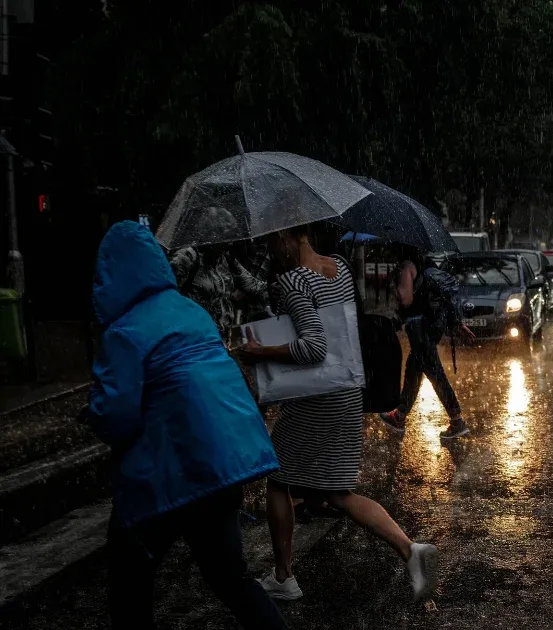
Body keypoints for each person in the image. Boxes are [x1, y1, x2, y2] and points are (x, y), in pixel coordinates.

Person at [85, 221, 287, 629]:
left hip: (170, 473)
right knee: (230, 577)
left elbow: (116, 419)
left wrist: (94, 409)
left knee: (130, 581)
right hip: (222, 466)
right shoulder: (191, 312)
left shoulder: (124, 331)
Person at [239, 225, 438, 603]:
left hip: (317, 397)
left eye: (270, 241)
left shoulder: (292, 282)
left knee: (278, 478)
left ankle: (283, 577)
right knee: (338, 494)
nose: (270, 250)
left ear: (287, 237)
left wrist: (261, 353)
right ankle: (411, 550)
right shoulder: (341, 268)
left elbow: (314, 346)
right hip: (347, 389)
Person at [380, 258, 475, 440]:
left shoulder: (406, 265)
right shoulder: (429, 263)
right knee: (413, 369)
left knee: (435, 373)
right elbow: (445, 299)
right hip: (433, 325)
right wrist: (457, 323)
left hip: (419, 327)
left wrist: (395, 290)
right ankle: (399, 416)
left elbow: (406, 300)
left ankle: (457, 421)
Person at [170, 243, 269, 330]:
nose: (230, 244)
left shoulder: (226, 258)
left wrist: (271, 287)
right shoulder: (187, 257)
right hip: (197, 333)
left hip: (222, 334)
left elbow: (250, 285)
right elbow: (169, 297)